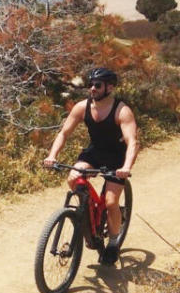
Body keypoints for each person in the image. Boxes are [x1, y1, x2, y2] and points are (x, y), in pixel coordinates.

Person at [43, 66, 139, 264]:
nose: (92, 89)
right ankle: (90, 223)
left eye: (97, 85)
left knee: (112, 202)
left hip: (116, 157)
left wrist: (126, 167)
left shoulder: (122, 110)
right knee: (74, 179)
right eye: (90, 85)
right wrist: (52, 155)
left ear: (109, 87)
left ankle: (113, 242)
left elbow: (132, 142)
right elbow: (63, 133)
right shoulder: (82, 107)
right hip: (94, 152)